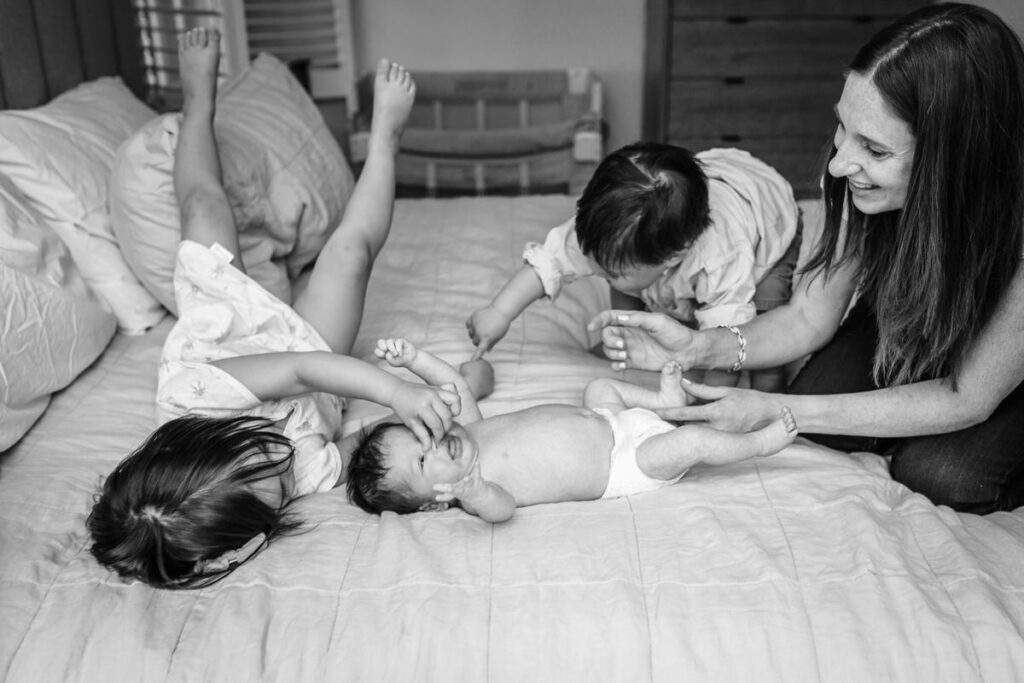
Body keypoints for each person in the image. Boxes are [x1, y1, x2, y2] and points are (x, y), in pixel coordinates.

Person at [589, 3, 1024, 514]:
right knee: (828, 416)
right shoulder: (857, 185)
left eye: (876, 150)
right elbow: (808, 316)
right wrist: (699, 347)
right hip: (929, 315)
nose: (839, 164)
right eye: (843, 126)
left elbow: (965, 397)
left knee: (944, 476)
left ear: (956, 156)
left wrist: (776, 407)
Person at [87, 28, 460, 588]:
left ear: (205, 436)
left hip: (237, 335)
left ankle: (198, 99)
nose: (283, 463)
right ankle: (385, 137)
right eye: (278, 486)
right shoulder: (295, 479)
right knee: (350, 253)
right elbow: (365, 446)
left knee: (203, 205)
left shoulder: (196, 397)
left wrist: (395, 391)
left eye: (260, 455)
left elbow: (298, 368)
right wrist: (438, 402)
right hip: (311, 355)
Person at [465, 141, 802, 392]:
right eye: (595, 262)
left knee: (765, 314)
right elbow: (547, 264)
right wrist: (499, 312)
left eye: (610, 271)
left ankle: (771, 387)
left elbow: (727, 343)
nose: (596, 269)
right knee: (627, 289)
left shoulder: (722, 259)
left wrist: (706, 402)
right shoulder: (605, 232)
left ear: (673, 256)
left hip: (767, 223)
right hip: (709, 183)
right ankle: (629, 339)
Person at [347, 338, 798, 523]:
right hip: (623, 465)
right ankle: (759, 443)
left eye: (421, 434)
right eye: (424, 460)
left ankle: (663, 404)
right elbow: (501, 512)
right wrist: (474, 490)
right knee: (691, 442)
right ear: (433, 503)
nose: (434, 443)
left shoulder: (470, 429)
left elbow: (454, 384)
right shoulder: (478, 491)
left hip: (609, 418)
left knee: (599, 386)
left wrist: (412, 360)